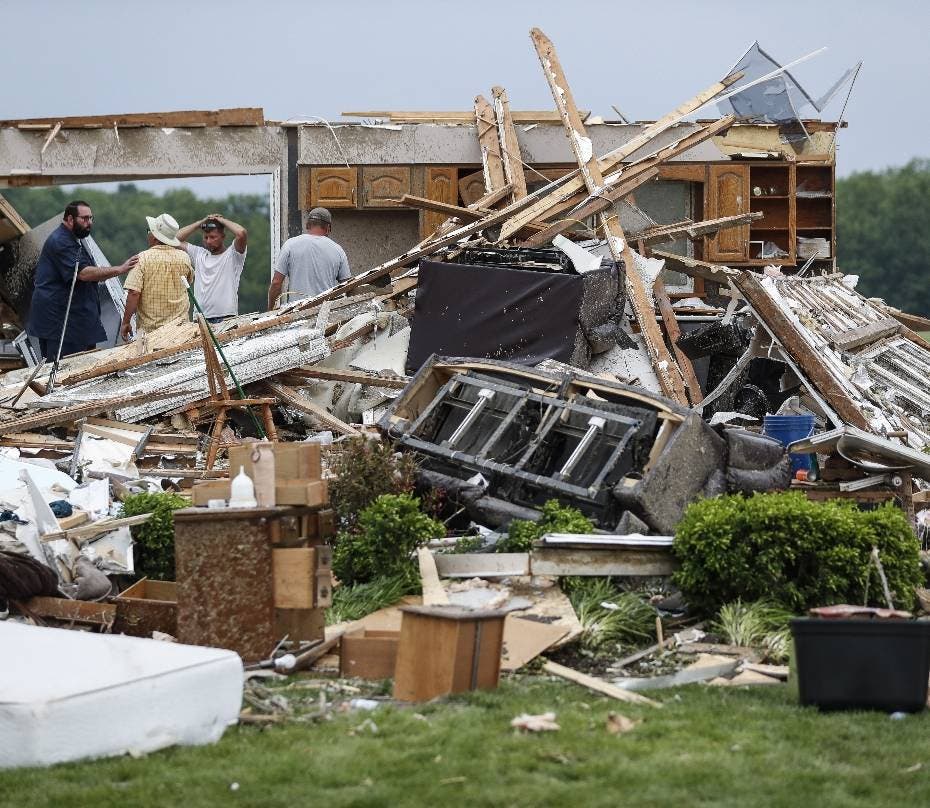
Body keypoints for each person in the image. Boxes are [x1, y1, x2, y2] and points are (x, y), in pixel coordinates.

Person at [27, 200, 139, 359]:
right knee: (65, 371)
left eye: (91, 218)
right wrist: (120, 269)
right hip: (61, 323)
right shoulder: (60, 241)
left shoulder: (73, 239)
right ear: (70, 219)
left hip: (76, 321)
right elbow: (83, 273)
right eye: (84, 219)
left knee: (84, 365)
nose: (89, 223)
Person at [120, 213, 194, 340]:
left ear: (154, 236)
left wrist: (126, 322)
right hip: (181, 331)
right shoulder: (184, 257)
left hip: (150, 333)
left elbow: (133, 293)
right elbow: (188, 282)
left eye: (149, 231)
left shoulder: (142, 259)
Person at [268, 207, 350, 310]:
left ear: (307, 225)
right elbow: (348, 287)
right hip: (324, 316)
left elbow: (276, 283)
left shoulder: (290, 245)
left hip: (296, 315)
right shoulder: (338, 250)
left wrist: (270, 311)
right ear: (328, 227)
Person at [176, 213, 247, 323]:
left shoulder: (232, 255)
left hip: (226, 317)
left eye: (213, 237)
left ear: (223, 237)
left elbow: (241, 233)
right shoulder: (199, 254)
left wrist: (221, 221)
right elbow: (174, 239)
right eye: (206, 237)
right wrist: (201, 223)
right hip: (200, 318)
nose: (208, 241)